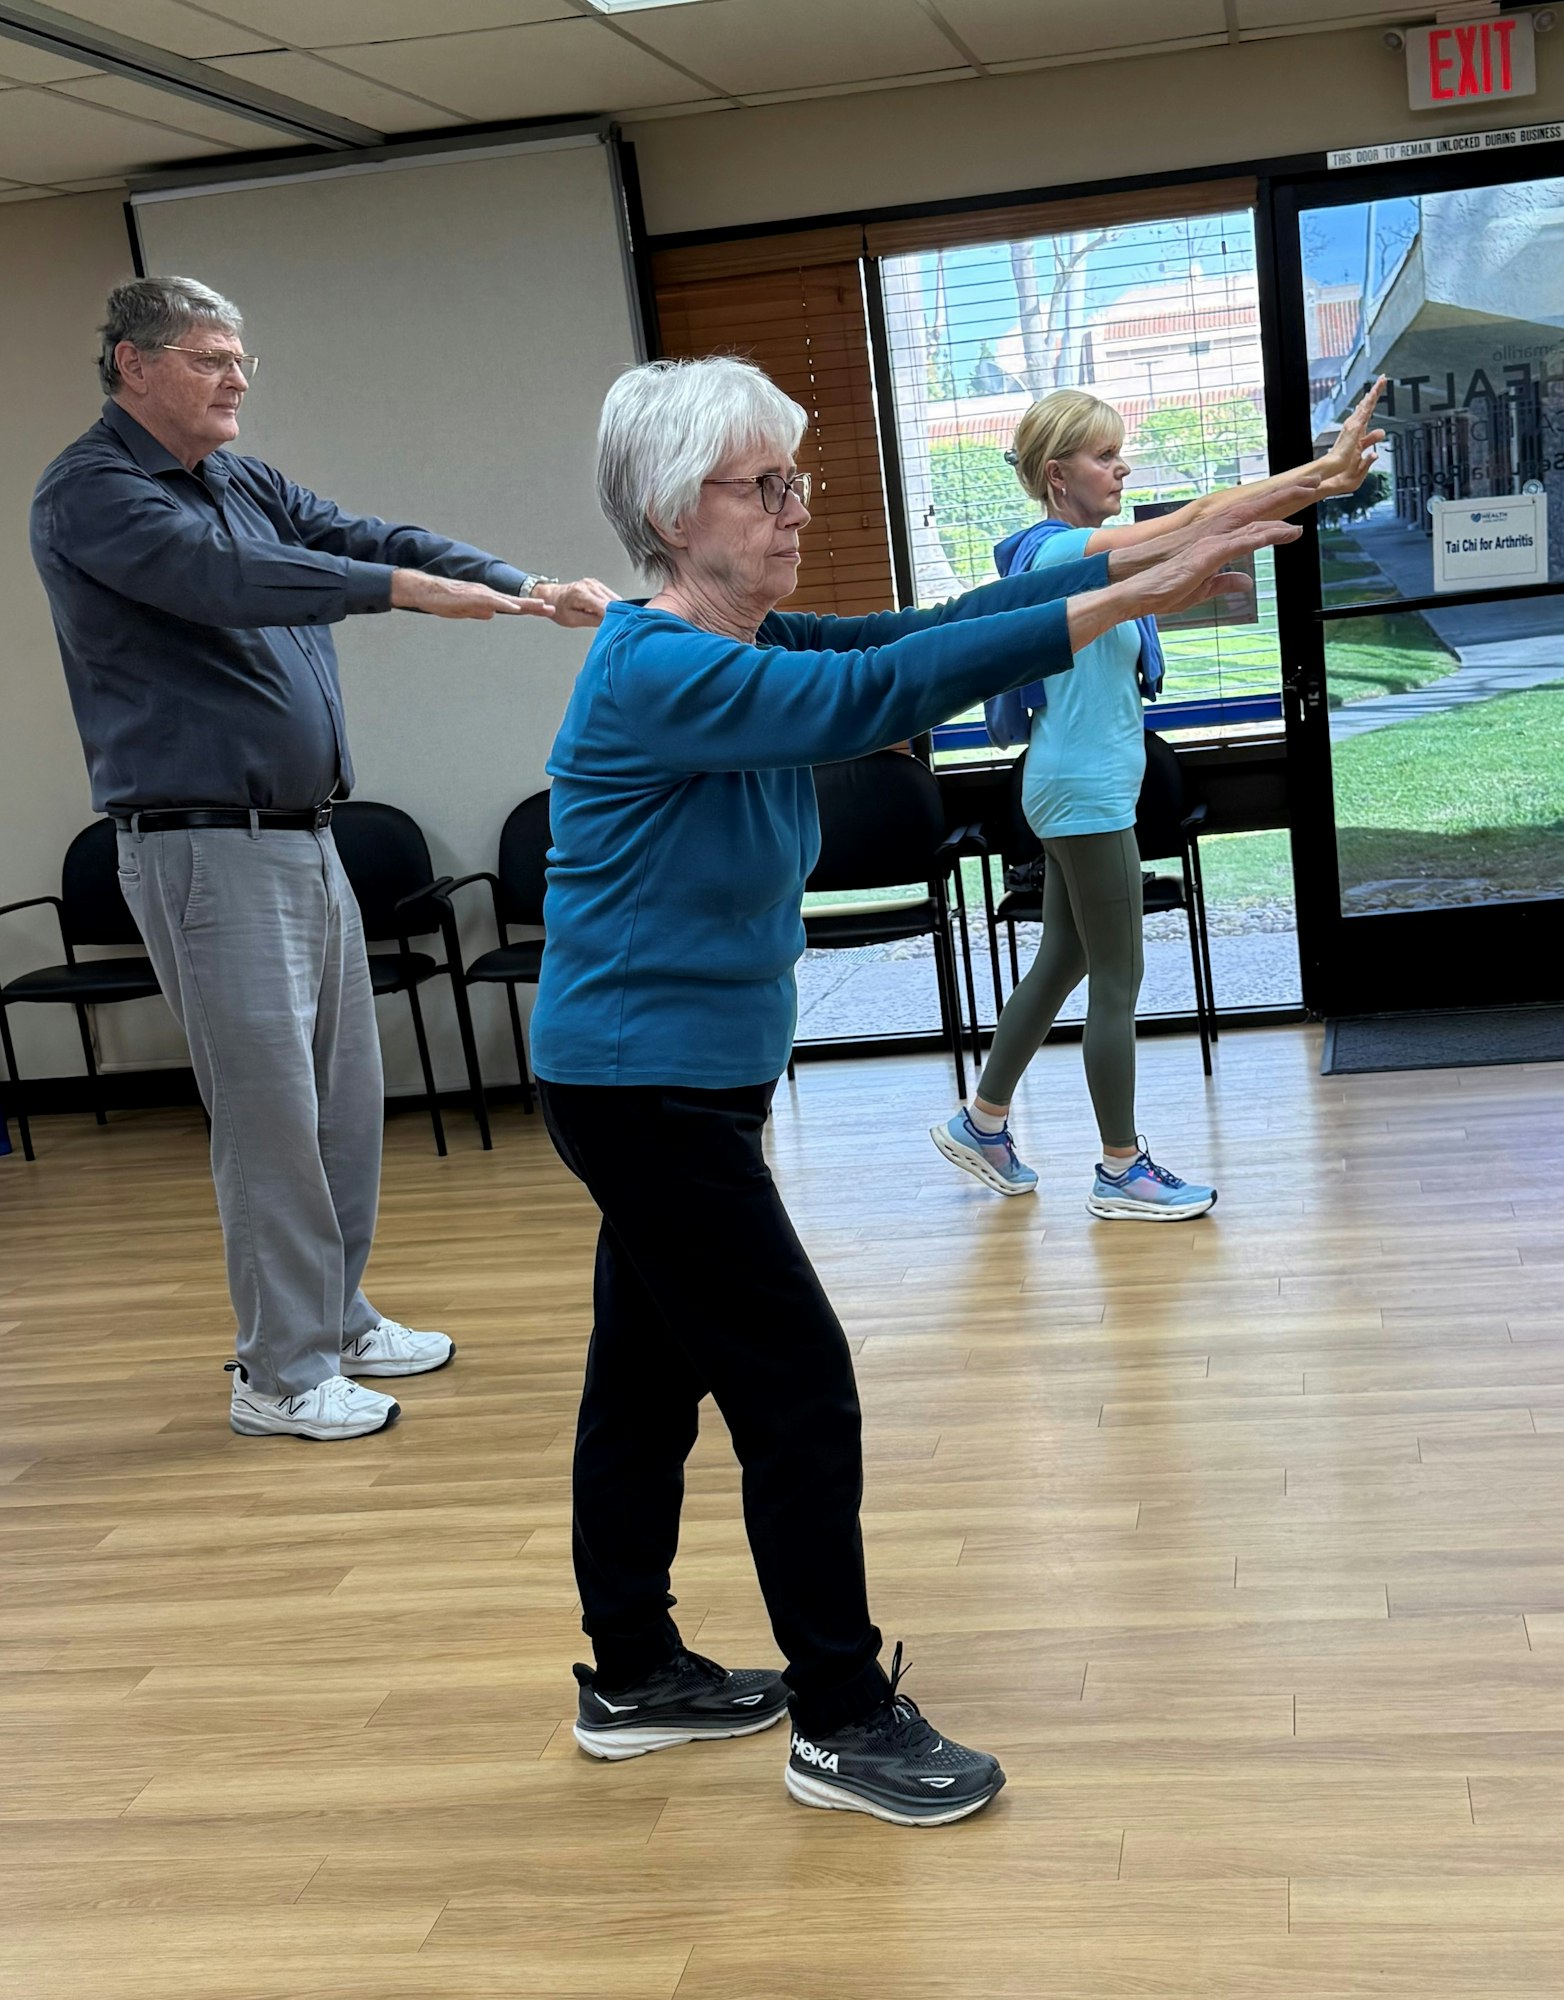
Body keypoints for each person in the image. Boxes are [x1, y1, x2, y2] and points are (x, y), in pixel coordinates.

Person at [529, 355, 1303, 1826]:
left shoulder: (744, 635)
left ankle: (631, 1672)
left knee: (643, 1382)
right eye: (762, 487)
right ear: (665, 506)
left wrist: (1211, 519)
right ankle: (841, 1715)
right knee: (796, 1388)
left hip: (676, 1080)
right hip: (643, 1091)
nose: (793, 510)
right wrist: (1136, 592)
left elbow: (941, 625)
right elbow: (888, 689)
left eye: (794, 481)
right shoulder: (663, 664)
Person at [30, 276, 615, 1442]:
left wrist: (509, 582)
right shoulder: (90, 492)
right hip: (203, 847)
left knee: (344, 1101)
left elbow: (359, 532)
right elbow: (225, 581)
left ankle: (335, 1318)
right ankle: (279, 1370)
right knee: (269, 1117)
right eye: (210, 357)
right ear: (132, 365)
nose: (238, 376)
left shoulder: (240, 479)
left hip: (304, 838)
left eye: (241, 356)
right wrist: (404, 594)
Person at [931, 379, 1385, 1219]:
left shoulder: (1061, 552)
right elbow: (1201, 517)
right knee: (1118, 977)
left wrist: (1321, 482)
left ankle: (981, 1119)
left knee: (1066, 959)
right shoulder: (1063, 553)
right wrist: (1320, 471)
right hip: (1084, 790)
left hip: (1076, 782)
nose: (1123, 468)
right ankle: (1119, 1168)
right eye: (1105, 456)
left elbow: (1203, 533)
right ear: (1057, 473)